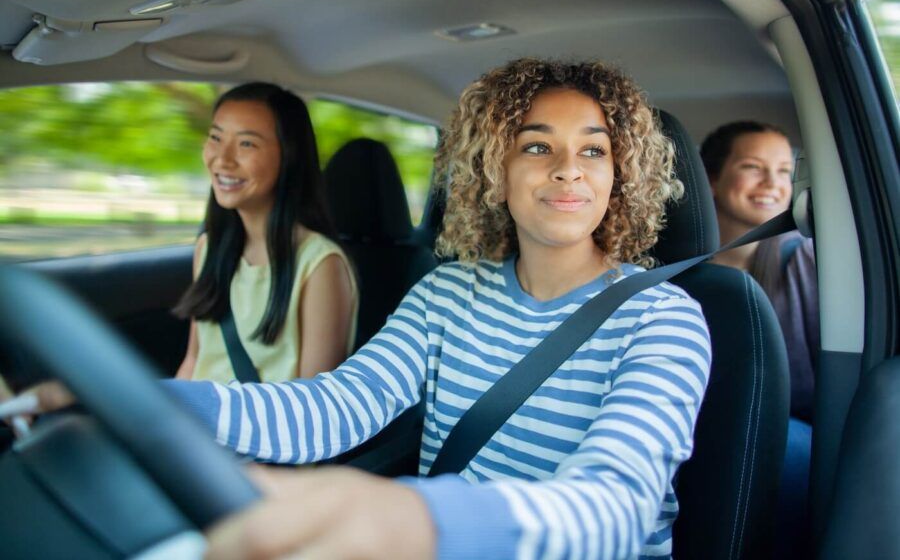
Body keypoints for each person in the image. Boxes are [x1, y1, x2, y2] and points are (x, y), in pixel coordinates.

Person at [19, 60, 712, 559]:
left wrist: (414, 519)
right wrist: (143, 406)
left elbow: (616, 508)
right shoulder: (448, 293)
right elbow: (338, 405)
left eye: (594, 150)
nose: (569, 169)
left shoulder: (664, 321)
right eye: (537, 146)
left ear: (621, 175)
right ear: (493, 171)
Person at [173, 83, 358, 383]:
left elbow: (312, 404)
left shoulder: (320, 264)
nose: (222, 159)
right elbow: (194, 361)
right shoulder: (209, 247)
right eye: (216, 138)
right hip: (196, 421)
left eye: (246, 144)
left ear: (289, 157)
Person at [700, 120, 818, 558]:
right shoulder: (668, 266)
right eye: (753, 167)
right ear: (711, 178)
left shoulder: (803, 259)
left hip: (780, 433)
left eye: (785, 171)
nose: (773, 183)